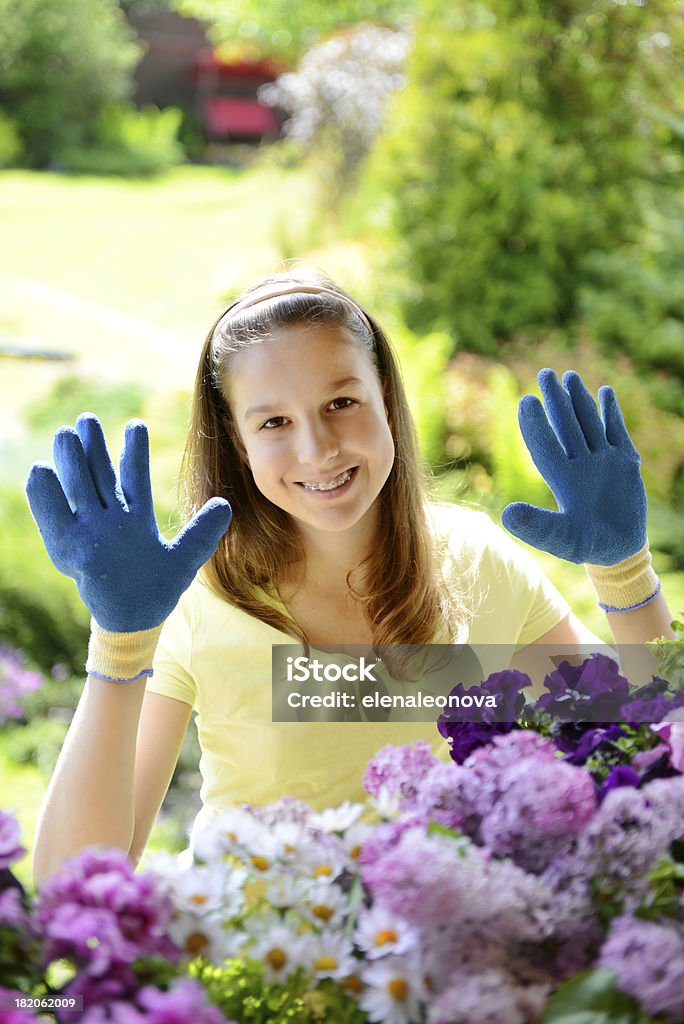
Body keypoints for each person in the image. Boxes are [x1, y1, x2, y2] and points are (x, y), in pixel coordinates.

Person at [26, 267, 675, 885]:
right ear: (236, 436)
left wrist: (625, 573)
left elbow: (649, 748)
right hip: (266, 975)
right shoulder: (191, 600)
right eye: (274, 421)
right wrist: (120, 641)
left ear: (386, 397)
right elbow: (71, 880)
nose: (318, 448)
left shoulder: (477, 562)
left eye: (341, 402)